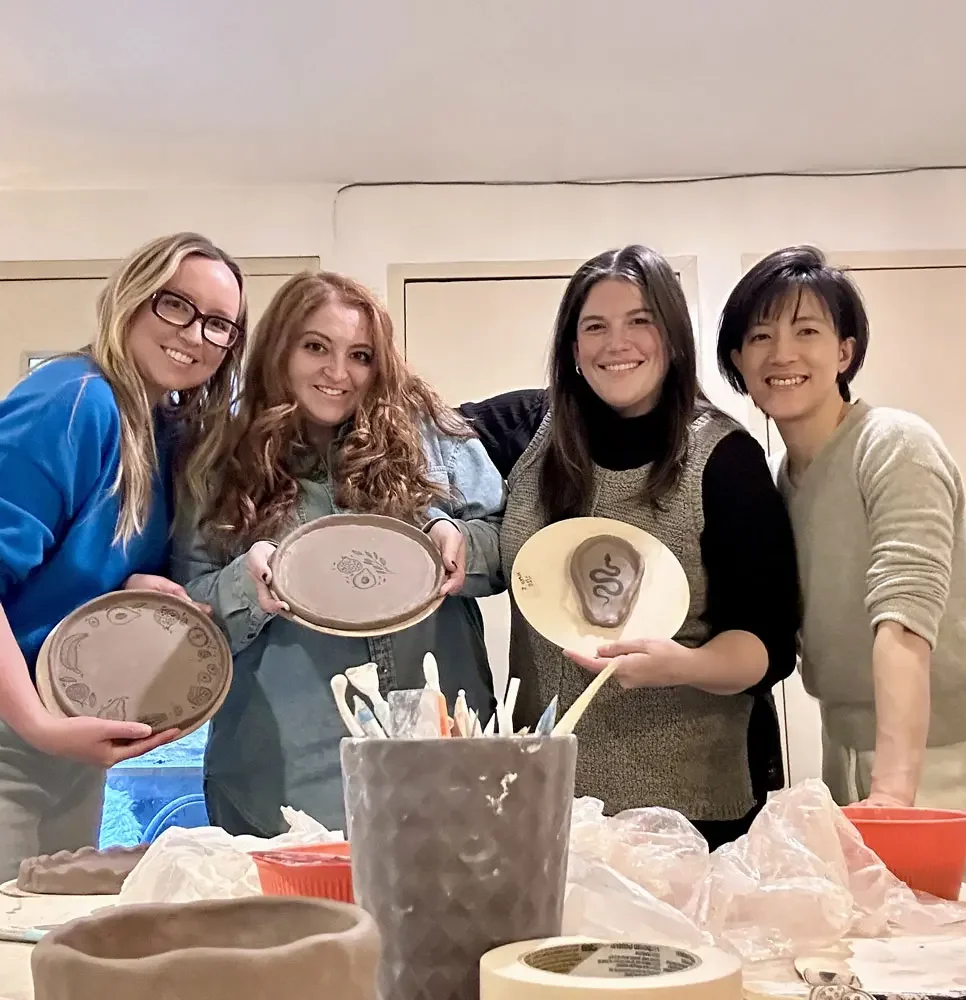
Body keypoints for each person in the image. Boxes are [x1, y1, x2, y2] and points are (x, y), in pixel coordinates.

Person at [465, 245, 800, 849]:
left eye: (639, 321)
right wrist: (442, 521)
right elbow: (409, 434)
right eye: (595, 326)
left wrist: (685, 666)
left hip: (697, 809)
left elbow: (768, 646)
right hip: (550, 800)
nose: (615, 343)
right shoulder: (528, 429)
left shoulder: (725, 459)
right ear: (573, 348)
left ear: (671, 337)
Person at [173, 271, 505, 837]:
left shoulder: (435, 439)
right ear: (280, 349)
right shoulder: (216, 461)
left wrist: (456, 543)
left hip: (442, 759)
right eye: (315, 347)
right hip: (282, 775)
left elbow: (509, 546)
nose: (337, 372)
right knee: (299, 924)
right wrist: (245, 586)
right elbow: (185, 620)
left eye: (360, 355)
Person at [718, 244, 966, 882]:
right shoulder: (780, 480)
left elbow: (904, 616)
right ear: (738, 361)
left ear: (844, 352)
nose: (782, 354)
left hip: (948, 759)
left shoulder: (893, 443)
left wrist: (896, 797)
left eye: (806, 331)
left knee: (963, 965)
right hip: (845, 750)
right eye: (760, 336)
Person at [0, 232, 246, 877]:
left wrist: (133, 584)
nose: (195, 335)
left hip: (62, 734)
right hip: (17, 730)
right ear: (131, 299)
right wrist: (35, 725)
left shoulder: (160, 427)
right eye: (176, 306)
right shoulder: (74, 399)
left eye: (219, 325)